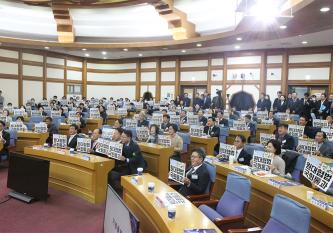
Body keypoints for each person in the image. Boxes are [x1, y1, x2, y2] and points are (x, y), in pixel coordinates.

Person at [108, 130, 146, 194]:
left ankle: (126, 191)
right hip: (125, 165)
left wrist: (126, 159)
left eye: (124, 137)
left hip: (135, 166)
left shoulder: (135, 146)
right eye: (121, 137)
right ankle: (116, 189)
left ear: (129, 138)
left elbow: (135, 158)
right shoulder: (121, 144)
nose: (121, 138)